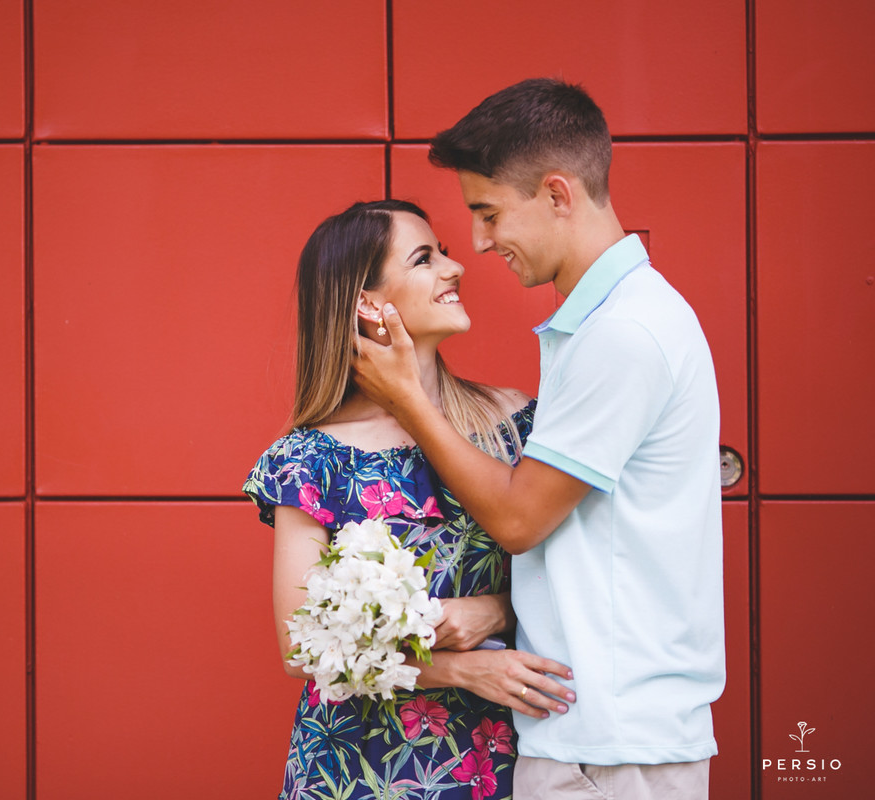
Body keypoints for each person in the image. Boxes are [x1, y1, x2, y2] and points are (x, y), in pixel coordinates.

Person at [352, 79, 725, 799]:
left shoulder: (624, 332)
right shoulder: (603, 324)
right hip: (595, 735)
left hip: (611, 746)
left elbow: (520, 520)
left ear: (558, 193)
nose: (481, 243)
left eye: (488, 213)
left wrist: (405, 395)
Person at [243, 199, 575, 799]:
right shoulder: (310, 460)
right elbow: (300, 648)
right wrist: (455, 669)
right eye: (425, 258)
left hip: (499, 755)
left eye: (442, 252)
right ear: (369, 303)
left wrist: (498, 610)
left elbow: (578, 571)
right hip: (355, 767)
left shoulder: (516, 424)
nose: (456, 268)